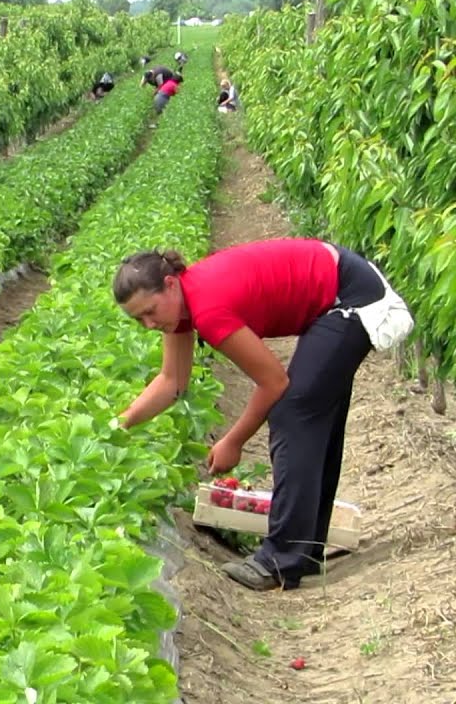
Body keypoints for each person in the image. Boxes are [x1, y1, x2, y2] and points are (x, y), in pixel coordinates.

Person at [111, 239, 412, 592]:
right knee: (312, 411)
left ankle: (280, 561)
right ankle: (306, 548)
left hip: (351, 298)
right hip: (336, 292)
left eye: (150, 311)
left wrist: (233, 441)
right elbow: (171, 381)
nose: (149, 324)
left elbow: (273, 382)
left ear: (170, 283)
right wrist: (119, 424)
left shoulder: (207, 307)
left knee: (293, 411)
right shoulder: (180, 310)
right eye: (138, 319)